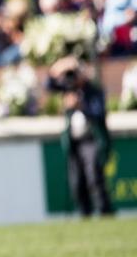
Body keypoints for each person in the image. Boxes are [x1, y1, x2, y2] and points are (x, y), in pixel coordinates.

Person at [48, 57, 114, 216]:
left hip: (92, 139)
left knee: (94, 178)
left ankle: (104, 211)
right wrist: (59, 67)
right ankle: (85, 212)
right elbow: (48, 85)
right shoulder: (68, 90)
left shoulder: (94, 91)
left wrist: (81, 105)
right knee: (76, 181)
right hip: (74, 141)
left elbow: (98, 113)